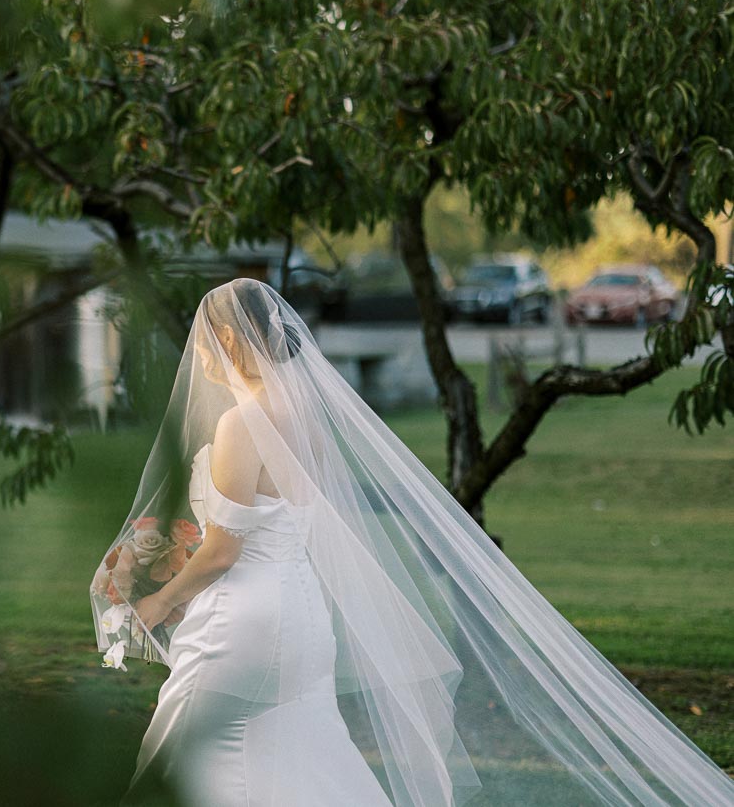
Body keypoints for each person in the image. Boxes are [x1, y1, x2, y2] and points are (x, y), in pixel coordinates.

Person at [90, 278, 734, 807]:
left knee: (167, 766)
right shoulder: (305, 416)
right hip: (305, 625)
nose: (197, 353)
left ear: (227, 339)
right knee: (298, 767)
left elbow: (225, 550)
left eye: (204, 338)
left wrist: (154, 602)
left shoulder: (239, 423)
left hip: (241, 628)